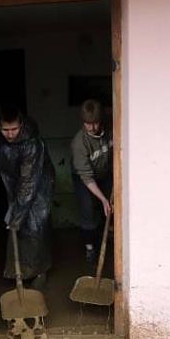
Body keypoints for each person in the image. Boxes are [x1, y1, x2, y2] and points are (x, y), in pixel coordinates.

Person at [0, 105, 55, 289]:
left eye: (14, 129)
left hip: (39, 184)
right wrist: (15, 212)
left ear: (21, 124)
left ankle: (39, 271)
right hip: (15, 184)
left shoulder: (32, 144)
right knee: (16, 227)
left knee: (36, 227)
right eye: (6, 130)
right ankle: (18, 272)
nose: (10, 134)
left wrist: (17, 215)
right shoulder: (0, 139)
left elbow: (28, 182)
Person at [70, 99, 113, 263]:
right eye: (88, 124)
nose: (93, 128)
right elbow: (86, 176)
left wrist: (106, 199)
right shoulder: (79, 143)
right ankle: (89, 247)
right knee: (88, 207)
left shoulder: (109, 127)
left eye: (95, 123)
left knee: (111, 205)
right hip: (84, 178)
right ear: (83, 122)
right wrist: (101, 198)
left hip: (105, 173)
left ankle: (108, 237)